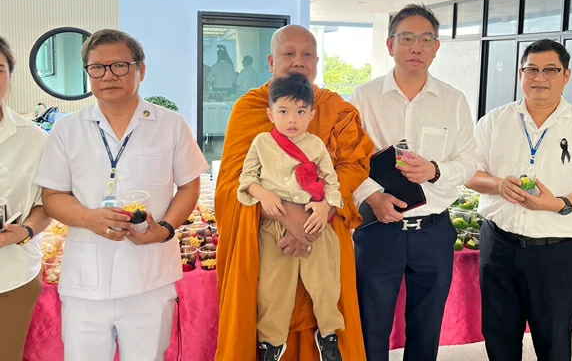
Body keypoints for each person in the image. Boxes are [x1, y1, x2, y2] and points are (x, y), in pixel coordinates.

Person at [34, 29, 209, 361]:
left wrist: (166, 229)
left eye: (119, 66)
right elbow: (53, 195)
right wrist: (88, 218)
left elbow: (189, 185)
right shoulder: (67, 130)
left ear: (141, 69)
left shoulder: (171, 124)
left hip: (150, 277)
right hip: (86, 280)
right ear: (88, 73)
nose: (108, 75)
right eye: (97, 68)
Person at [215, 25, 373, 361]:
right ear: (272, 61)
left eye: (307, 54)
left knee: (326, 299)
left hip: (323, 227)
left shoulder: (336, 108)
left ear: (316, 62)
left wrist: (318, 216)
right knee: (271, 303)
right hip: (269, 232)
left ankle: (327, 339)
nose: (298, 61)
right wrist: (292, 220)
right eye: (289, 53)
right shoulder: (251, 107)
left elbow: (353, 166)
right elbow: (232, 181)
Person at [467, 39, 572, 361]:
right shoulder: (495, 120)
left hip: (557, 253)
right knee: (499, 336)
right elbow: (469, 173)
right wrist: (497, 185)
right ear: (520, 74)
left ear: (566, 76)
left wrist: (559, 203)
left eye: (551, 70)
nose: (540, 77)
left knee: (554, 343)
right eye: (531, 69)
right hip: (499, 245)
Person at [350, 4, 480, 361]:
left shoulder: (453, 100)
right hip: (378, 229)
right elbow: (347, 159)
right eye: (406, 38)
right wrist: (372, 196)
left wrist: (434, 171)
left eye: (425, 39)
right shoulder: (364, 97)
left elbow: (469, 162)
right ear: (390, 45)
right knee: (370, 325)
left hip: (432, 232)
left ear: (436, 47)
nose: (416, 47)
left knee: (426, 327)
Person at [238, 72, 345, 360]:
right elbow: (246, 179)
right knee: (273, 289)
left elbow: (332, 183)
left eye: (300, 112)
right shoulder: (261, 142)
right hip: (274, 227)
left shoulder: (316, 145)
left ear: (311, 114)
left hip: (315, 225)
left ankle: (328, 334)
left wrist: (325, 206)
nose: (292, 120)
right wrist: (264, 194)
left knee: (325, 284)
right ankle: (272, 343)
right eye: (283, 111)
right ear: (270, 114)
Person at [0, 36, 50, 361]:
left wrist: (26, 230)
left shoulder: (34, 139)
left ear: (10, 75)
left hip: (12, 277)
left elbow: (47, 203)